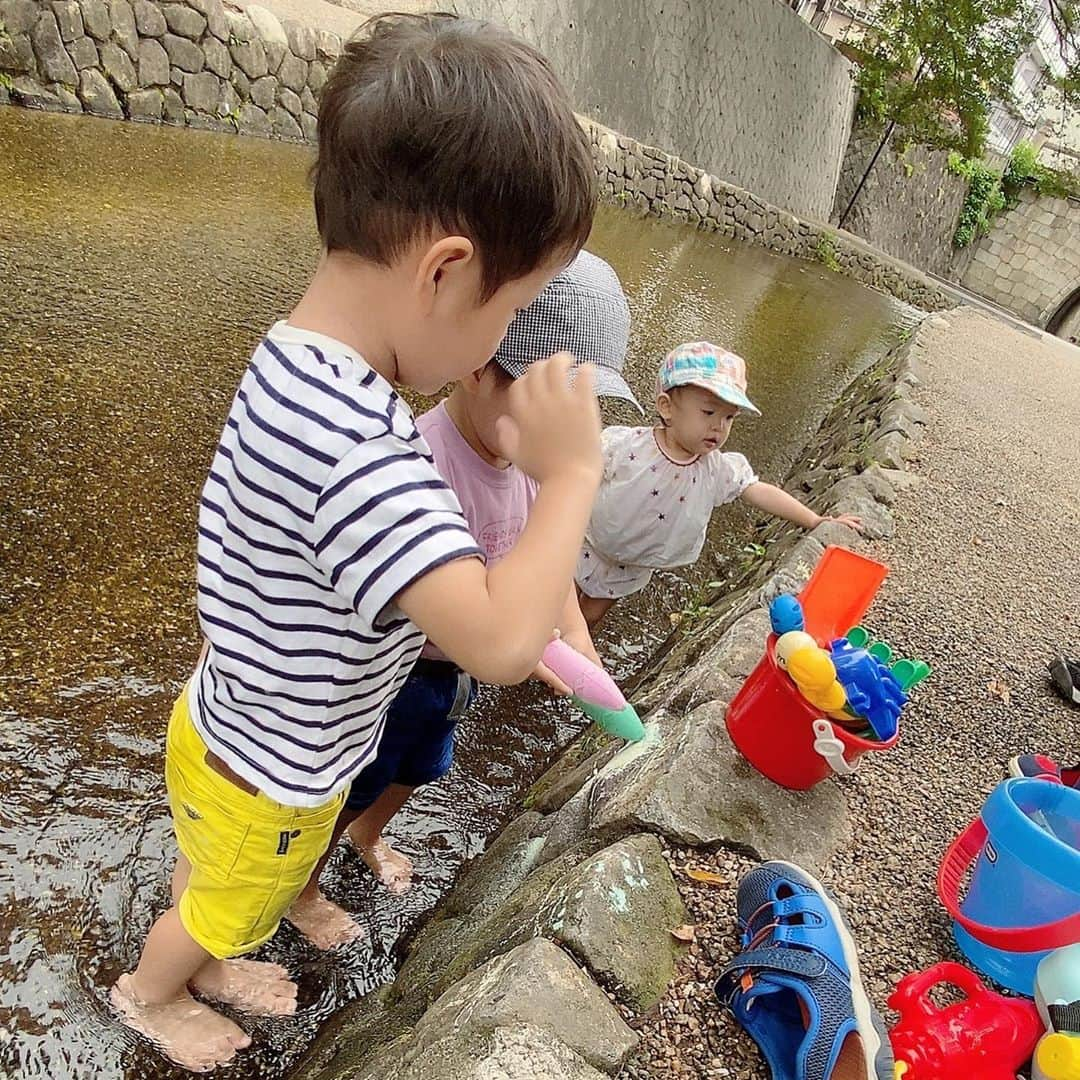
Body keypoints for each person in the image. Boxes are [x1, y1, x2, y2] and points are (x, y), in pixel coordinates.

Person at [110, 13, 601, 1072]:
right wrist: (573, 476)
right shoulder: (361, 453)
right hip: (271, 770)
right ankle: (154, 988)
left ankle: (212, 947)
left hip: (231, 711)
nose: (495, 345)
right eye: (507, 311)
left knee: (225, 881)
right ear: (446, 272)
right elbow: (501, 647)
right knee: (220, 895)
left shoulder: (296, 360)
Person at [287, 250, 639, 946]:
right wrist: (524, 643)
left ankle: (368, 836)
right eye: (552, 399)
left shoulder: (534, 466)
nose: (574, 427)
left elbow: (557, 583)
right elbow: (442, 609)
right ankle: (303, 888)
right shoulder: (418, 463)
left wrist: (589, 666)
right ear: (479, 366)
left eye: (585, 406)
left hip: (453, 677)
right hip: (386, 677)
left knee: (421, 768)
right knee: (352, 781)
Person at [575, 341, 865, 629]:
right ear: (666, 408)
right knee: (554, 597)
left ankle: (564, 653)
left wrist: (813, 519)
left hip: (631, 565)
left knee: (588, 615)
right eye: (709, 413)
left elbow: (758, 490)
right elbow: (575, 470)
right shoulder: (628, 446)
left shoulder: (716, 469)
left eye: (729, 417)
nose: (719, 426)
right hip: (583, 541)